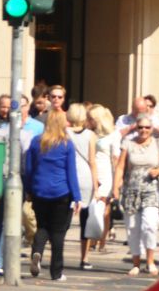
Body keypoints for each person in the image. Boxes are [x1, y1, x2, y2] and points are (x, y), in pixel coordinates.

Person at [23, 109, 80, 281]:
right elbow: (71, 172)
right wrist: (77, 197)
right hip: (61, 192)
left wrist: (29, 190)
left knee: (42, 227)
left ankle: (37, 252)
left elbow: (29, 169)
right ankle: (56, 272)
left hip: (40, 191)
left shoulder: (36, 142)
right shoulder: (66, 144)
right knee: (58, 233)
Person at [113, 116, 159, 276]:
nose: (144, 130)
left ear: (152, 129)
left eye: (147, 128)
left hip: (150, 189)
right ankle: (136, 263)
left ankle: (150, 261)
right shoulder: (128, 143)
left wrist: (158, 171)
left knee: (149, 225)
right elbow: (120, 166)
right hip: (131, 189)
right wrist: (116, 186)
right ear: (136, 128)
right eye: (140, 127)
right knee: (132, 228)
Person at [66, 103, 98, 270]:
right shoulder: (90, 135)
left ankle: (57, 251)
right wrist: (96, 185)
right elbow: (92, 161)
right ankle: (84, 258)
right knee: (85, 218)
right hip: (85, 178)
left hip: (68, 176)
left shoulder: (64, 133)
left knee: (64, 217)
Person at [87, 104, 120, 252]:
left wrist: (117, 182)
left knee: (104, 208)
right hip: (90, 172)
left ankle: (101, 240)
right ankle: (93, 237)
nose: (89, 121)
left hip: (106, 174)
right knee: (93, 207)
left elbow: (115, 158)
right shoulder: (89, 133)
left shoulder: (113, 134)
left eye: (91, 118)